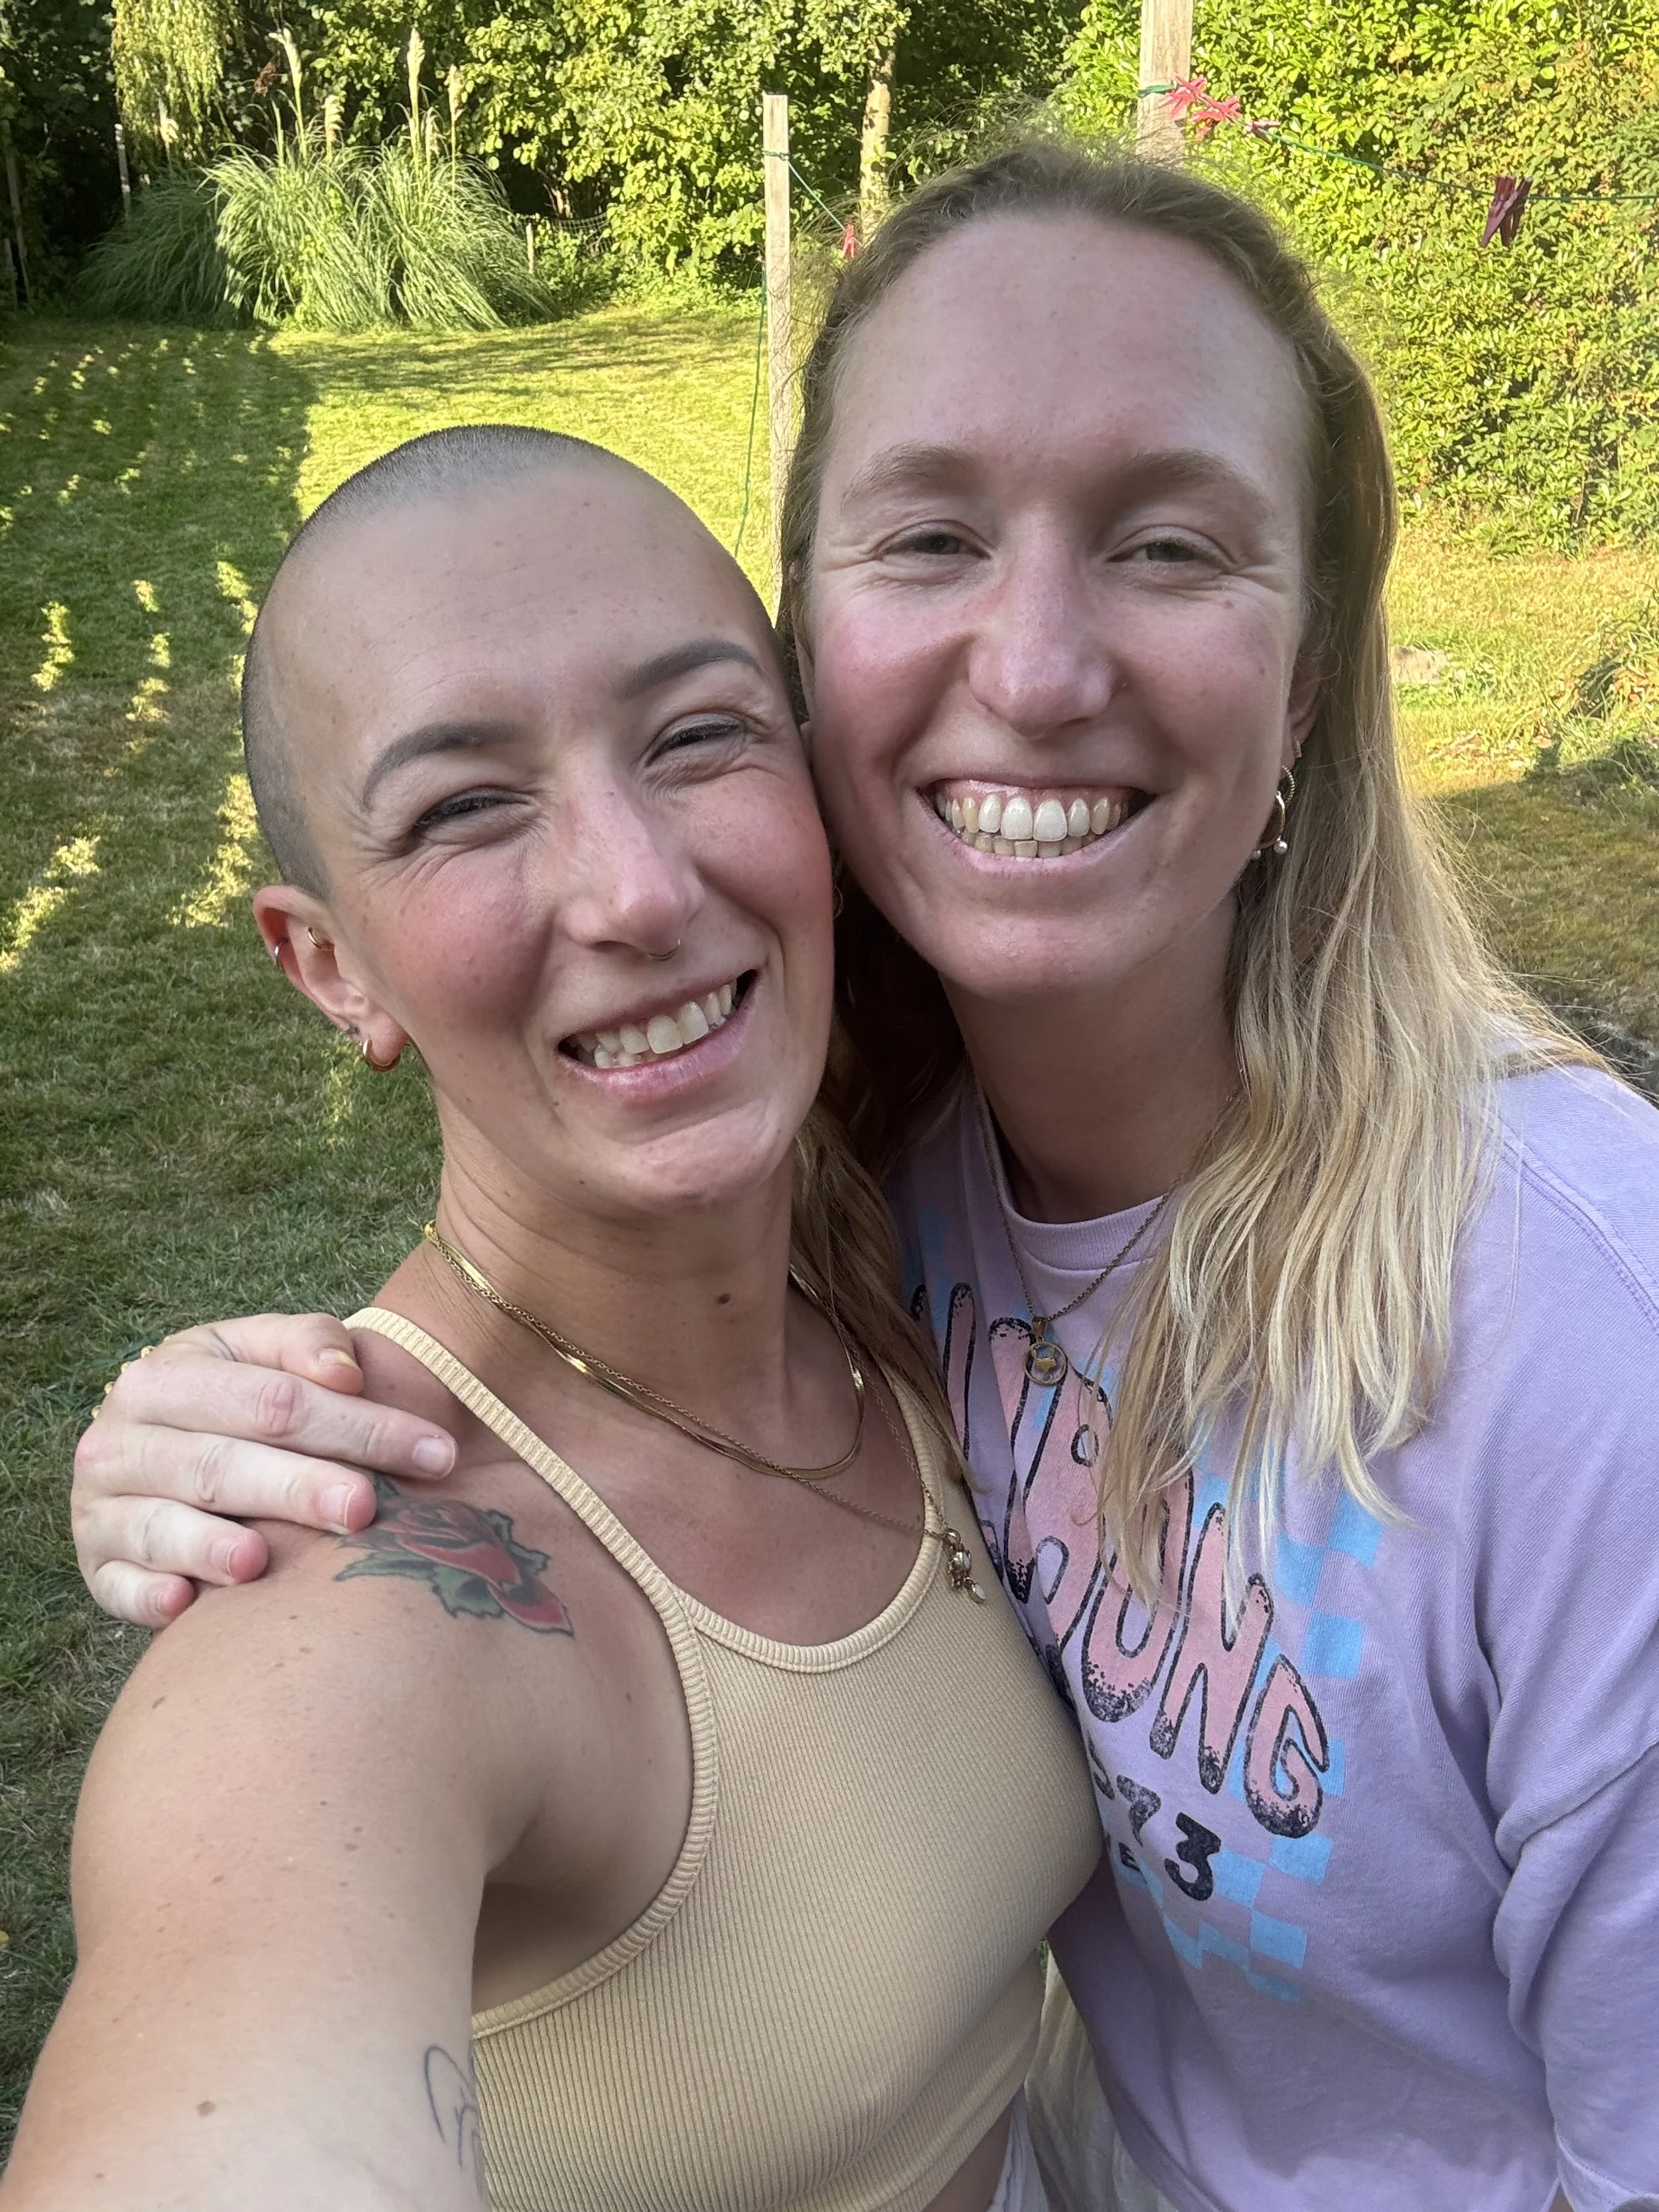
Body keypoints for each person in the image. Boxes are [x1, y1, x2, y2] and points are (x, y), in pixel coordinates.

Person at [70, 144, 1659, 2212]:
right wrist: (167, 1445)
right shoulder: (845, 1184)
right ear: (821, 647)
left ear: (1307, 673)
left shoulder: (1577, 1338)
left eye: (1169, 546)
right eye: (927, 534)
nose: (1034, 666)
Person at [6, 424, 1104, 2211]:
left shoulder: (920, 1235)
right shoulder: (347, 1616)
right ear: (328, 961)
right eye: (463, 805)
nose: (639, 887)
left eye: (696, 737)